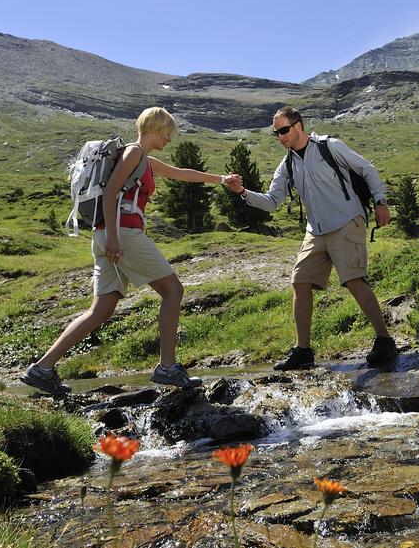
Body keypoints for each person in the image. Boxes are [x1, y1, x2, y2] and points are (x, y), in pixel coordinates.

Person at [21, 107, 241, 395]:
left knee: (101, 310)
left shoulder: (145, 160)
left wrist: (222, 180)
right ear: (155, 127)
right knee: (173, 291)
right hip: (121, 234)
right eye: (167, 133)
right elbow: (111, 191)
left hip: (105, 236)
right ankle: (167, 367)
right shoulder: (134, 153)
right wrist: (114, 236)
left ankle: (42, 368)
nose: (169, 139)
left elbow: (182, 174)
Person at [226, 106, 398, 370]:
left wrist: (380, 202)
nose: (280, 137)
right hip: (315, 231)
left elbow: (367, 169)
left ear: (298, 126)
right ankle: (303, 351)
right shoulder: (287, 165)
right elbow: (272, 202)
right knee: (300, 282)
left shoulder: (330, 146)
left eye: (283, 130)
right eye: (276, 133)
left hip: (347, 222)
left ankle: (384, 340)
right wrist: (242, 192)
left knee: (354, 280)